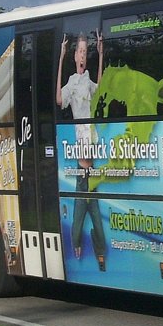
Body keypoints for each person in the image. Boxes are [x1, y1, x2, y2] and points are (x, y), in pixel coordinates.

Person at [57, 31, 109, 271]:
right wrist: (61, 56)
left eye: (85, 52)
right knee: (77, 225)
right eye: (80, 52)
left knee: (97, 221)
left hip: (92, 161)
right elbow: (59, 100)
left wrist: (100, 55)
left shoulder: (87, 80)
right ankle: (78, 243)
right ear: (74, 56)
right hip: (81, 168)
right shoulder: (71, 82)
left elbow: (100, 90)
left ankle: (99, 253)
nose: (82, 56)